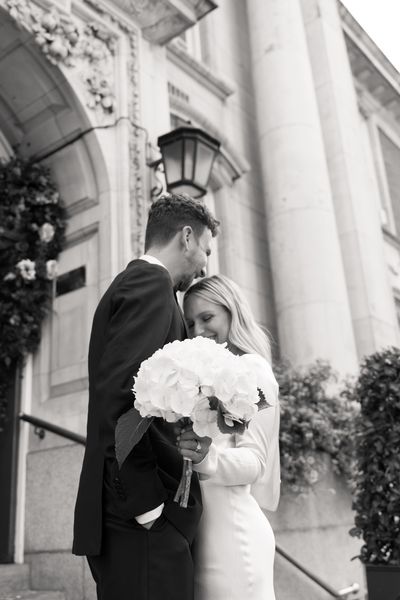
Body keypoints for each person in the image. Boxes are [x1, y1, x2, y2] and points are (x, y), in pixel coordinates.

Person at [72, 193, 219, 600]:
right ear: (186, 237)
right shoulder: (150, 284)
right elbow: (121, 396)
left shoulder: (141, 285)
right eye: (206, 250)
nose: (205, 263)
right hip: (139, 520)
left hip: (136, 521)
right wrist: (148, 508)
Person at [179, 274, 281, 600]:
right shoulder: (203, 377)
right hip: (201, 538)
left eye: (207, 318)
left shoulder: (253, 369)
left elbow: (255, 462)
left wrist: (206, 458)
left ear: (232, 312)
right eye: (190, 322)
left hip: (235, 543)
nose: (198, 331)